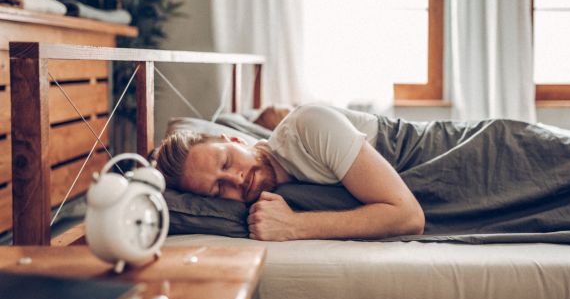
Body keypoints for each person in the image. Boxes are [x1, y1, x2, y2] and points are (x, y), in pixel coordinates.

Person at [156, 104, 425, 241]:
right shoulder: (286, 190)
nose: (235, 179)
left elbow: (409, 215)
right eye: (217, 189)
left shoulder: (308, 126)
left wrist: (294, 226)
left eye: (226, 162)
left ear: (236, 141)